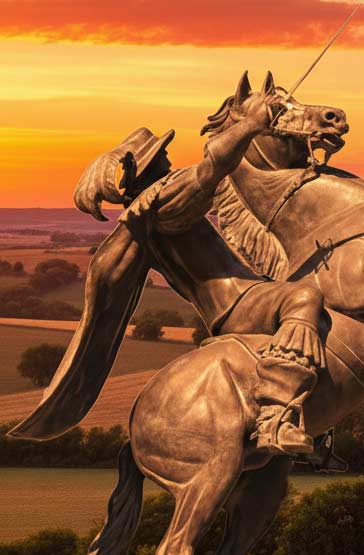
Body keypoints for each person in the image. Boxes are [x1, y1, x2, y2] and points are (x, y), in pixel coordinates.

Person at [43, 89, 330, 462]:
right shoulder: (163, 201)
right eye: (159, 155)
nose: (167, 157)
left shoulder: (148, 213)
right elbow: (215, 167)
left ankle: (322, 424)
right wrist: (250, 125)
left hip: (245, 293)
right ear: (144, 172)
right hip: (236, 302)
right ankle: (275, 415)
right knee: (304, 296)